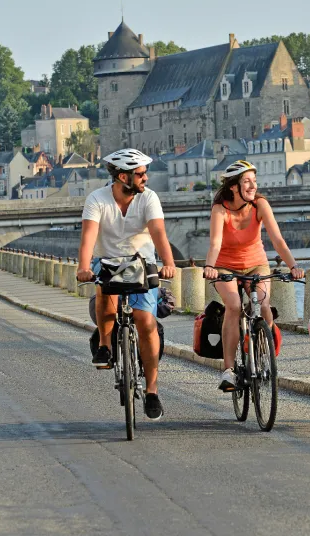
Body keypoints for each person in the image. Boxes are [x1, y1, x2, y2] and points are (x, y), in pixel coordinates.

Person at [77, 149, 176, 420]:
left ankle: (152, 391)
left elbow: (158, 232)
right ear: (123, 176)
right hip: (107, 260)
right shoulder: (97, 199)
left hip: (142, 263)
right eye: (141, 174)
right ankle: (105, 345)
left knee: (146, 322)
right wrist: (84, 267)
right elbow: (88, 237)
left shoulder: (149, 198)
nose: (146, 177)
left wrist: (168, 261)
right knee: (103, 291)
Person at [203, 160, 304, 391]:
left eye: (254, 181)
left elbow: (277, 240)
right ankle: (228, 370)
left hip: (256, 263)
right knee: (234, 305)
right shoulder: (220, 209)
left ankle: (261, 345)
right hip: (224, 267)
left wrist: (293, 266)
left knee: (263, 302)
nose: (252, 186)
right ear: (233, 187)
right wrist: (210, 266)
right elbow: (215, 243)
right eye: (246, 182)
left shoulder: (260, 205)